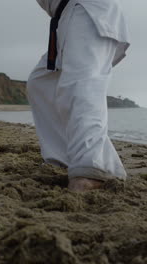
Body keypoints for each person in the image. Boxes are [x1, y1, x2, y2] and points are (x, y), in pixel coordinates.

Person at [27, 0, 130, 192]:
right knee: (42, 83)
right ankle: (66, 159)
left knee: (81, 85)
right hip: (66, 17)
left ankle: (91, 168)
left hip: (86, 7)